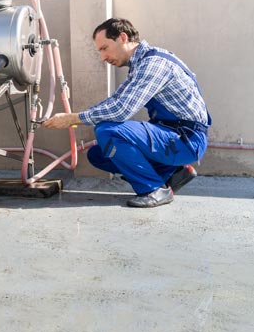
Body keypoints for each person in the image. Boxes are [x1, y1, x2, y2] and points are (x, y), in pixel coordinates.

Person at [43, 18, 210, 208]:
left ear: (122, 38)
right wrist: (74, 117)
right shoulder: (140, 65)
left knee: (108, 131)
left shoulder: (154, 64)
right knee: (98, 155)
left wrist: (72, 119)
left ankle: (154, 189)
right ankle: (174, 172)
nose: (103, 57)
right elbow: (115, 100)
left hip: (186, 140)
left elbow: (121, 109)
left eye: (104, 48)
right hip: (171, 136)